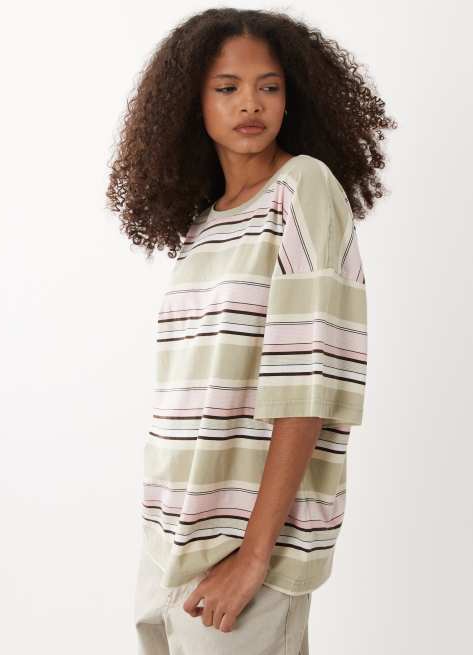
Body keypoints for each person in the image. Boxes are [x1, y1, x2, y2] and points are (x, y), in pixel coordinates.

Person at [106, 8, 397, 654]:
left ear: (292, 96)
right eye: (227, 87)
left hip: (246, 553)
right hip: (167, 543)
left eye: (269, 86)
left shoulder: (302, 188)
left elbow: (308, 383)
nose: (250, 103)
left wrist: (254, 556)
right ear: (192, 101)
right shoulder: (203, 223)